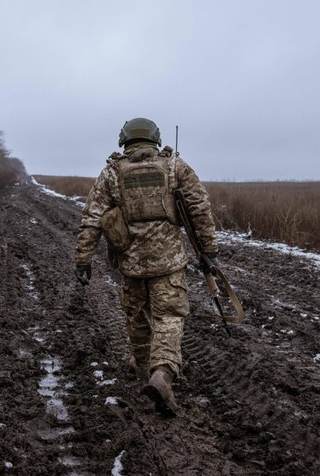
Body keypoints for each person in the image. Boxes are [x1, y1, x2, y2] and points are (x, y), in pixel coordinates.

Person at [73, 117, 218, 415]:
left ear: (124, 140)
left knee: (136, 315)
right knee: (168, 317)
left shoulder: (112, 173)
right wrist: (209, 250)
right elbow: (199, 208)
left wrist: (83, 259)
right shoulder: (175, 167)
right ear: (155, 138)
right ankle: (162, 373)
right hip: (169, 264)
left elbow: (91, 218)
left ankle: (142, 366)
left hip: (131, 264)